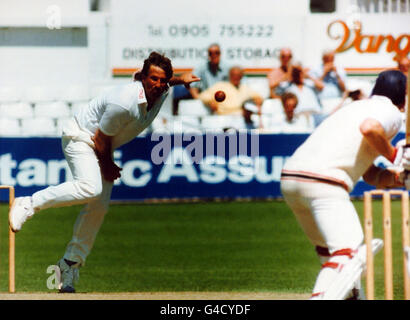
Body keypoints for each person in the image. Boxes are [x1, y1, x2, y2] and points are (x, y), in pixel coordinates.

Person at [8, 52, 200, 293]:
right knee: (90, 188)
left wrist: (180, 80)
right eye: (153, 79)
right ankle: (28, 203)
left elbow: (165, 82)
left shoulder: (161, 90)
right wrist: (108, 164)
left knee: (98, 206)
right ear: (142, 78)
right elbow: (100, 138)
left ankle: (68, 265)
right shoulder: (125, 102)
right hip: (80, 138)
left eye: (163, 81)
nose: (158, 85)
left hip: (99, 144)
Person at [280, 70, 409, 300]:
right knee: (350, 252)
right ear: (402, 96)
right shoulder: (390, 112)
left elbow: (370, 174)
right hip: (323, 183)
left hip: (291, 180)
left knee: (333, 256)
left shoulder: (354, 107)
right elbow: (370, 128)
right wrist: (396, 155)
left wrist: (399, 177)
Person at [198, 66, 264, 116]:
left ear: (241, 77)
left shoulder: (245, 88)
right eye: (233, 75)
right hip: (225, 116)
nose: (236, 77)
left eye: (238, 75)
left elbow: (257, 96)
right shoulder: (220, 86)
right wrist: (210, 101)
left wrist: (258, 99)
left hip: (241, 117)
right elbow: (203, 96)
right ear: (229, 75)